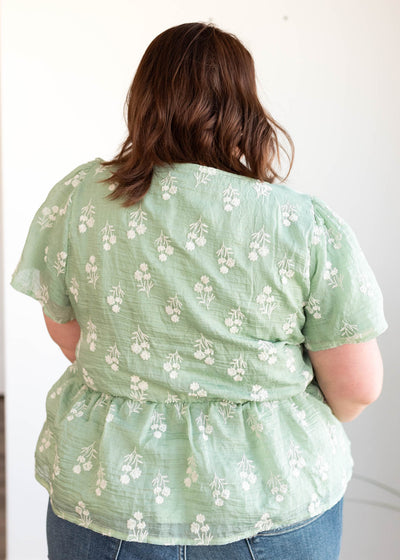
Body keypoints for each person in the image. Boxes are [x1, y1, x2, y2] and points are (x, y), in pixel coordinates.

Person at [11, 22, 387, 560]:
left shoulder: (80, 200)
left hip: (108, 494)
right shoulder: (297, 224)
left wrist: (143, 373)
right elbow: (358, 386)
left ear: (142, 101)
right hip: (270, 502)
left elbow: (66, 329)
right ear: (244, 107)